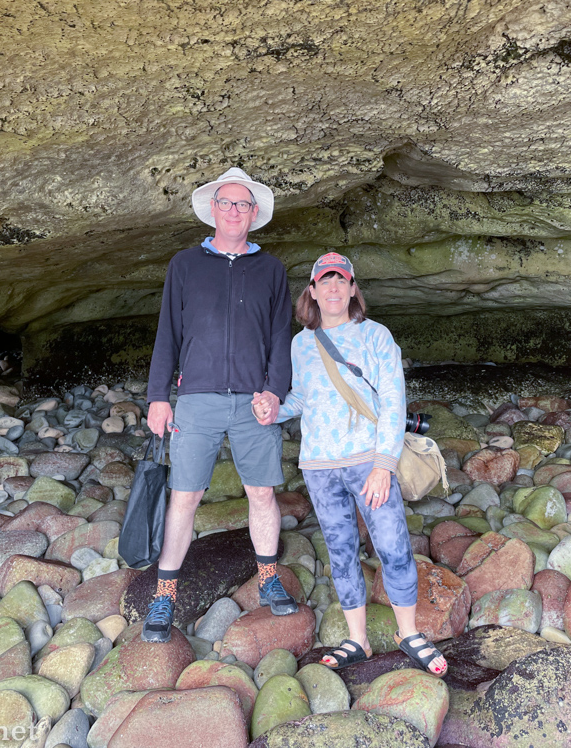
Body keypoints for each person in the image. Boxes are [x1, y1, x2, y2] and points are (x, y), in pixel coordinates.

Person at [253, 252, 447, 677]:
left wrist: (384, 464)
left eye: (342, 281)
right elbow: (302, 398)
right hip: (320, 467)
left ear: (354, 289)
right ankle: (357, 639)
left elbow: (394, 401)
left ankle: (408, 633)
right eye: (326, 281)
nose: (334, 289)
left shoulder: (376, 336)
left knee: (393, 547)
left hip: (366, 463)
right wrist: (274, 410)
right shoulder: (302, 342)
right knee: (341, 553)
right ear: (313, 292)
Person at [142, 167, 298, 643]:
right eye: (226, 203)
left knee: (262, 493)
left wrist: (275, 391)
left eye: (242, 205)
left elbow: (280, 339)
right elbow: (168, 332)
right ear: (214, 210)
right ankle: (164, 592)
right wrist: (157, 397)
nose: (233, 211)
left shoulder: (270, 269)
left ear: (254, 214)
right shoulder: (185, 265)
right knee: (185, 496)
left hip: (254, 401)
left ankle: (268, 579)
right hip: (197, 399)